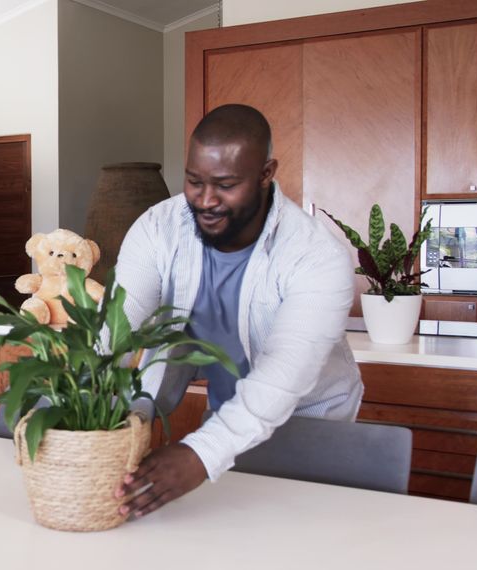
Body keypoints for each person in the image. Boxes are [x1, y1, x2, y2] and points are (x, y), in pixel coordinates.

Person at [113, 104, 364, 517]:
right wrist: (89, 406)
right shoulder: (158, 228)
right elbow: (121, 325)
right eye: (194, 181)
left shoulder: (316, 255)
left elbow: (285, 372)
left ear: (266, 173)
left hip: (309, 424)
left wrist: (199, 454)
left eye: (226, 184)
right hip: (229, 416)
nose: (206, 199)